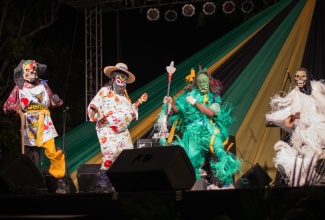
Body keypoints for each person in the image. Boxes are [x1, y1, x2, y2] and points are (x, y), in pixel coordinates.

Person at [163, 67, 241, 189]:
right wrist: (170, 104)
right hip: (194, 131)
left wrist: (196, 103)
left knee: (219, 151)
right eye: (200, 82)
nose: (202, 84)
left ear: (209, 82)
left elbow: (211, 113)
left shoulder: (214, 96)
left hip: (209, 129)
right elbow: (180, 110)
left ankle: (226, 183)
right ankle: (193, 186)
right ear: (196, 84)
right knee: (192, 159)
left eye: (205, 82)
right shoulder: (190, 95)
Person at [3, 59, 69, 194]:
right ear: (23, 73)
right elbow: (6, 106)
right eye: (28, 70)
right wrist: (16, 107)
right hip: (28, 123)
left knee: (52, 150)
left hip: (44, 122)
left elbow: (52, 101)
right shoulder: (19, 88)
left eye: (34, 70)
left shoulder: (43, 85)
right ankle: (32, 182)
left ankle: (60, 180)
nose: (32, 72)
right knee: (30, 156)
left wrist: (55, 101)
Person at [87, 62, 148, 193]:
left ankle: (121, 183)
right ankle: (103, 183)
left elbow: (129, 110)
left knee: (127, 154)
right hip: (107, 128)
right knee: (111, 153)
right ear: (113, 78)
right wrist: (93, 110)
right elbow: (95, 103)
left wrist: (139, 101)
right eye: (120, 77)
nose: (122, 81)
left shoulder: (124, 97)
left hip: (123, 132)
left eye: (124, 78)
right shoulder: (104, 91)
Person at [266, 67, 325, 186]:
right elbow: (289, 122)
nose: (298, 79)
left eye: (301, 77)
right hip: (302, 138)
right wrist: (293, 117)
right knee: (303, 166)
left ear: (307, 78)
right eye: (296, 77)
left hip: (317, 137)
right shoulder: (295, 96)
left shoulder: (317, 94)